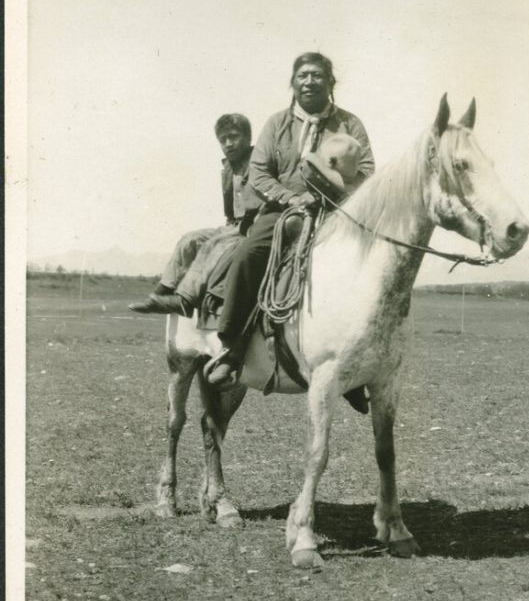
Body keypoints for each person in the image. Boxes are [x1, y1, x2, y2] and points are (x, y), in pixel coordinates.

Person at [205, 52, 375, 387]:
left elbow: (367, 172)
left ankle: (359, 362)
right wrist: (291, 197)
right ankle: (232, 350)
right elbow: (259, 173)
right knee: (247, 256)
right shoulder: (275, 124)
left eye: (317, 75)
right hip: (281, 213)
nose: (309, 82)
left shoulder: (350, 124)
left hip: (336, 214)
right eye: (302, 76)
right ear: (293, 83)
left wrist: (330, 195)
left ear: (330, 82)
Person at [129, 114, 260, 315]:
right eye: (223, 139)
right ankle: (159, 294)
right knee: (189, 240)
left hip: (254, 225)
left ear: (248, 137)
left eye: (233, 137)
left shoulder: (260, 161)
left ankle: (185, 300)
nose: (228, 143)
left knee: (215, 244)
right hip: (233, 225)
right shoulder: (227, 169)